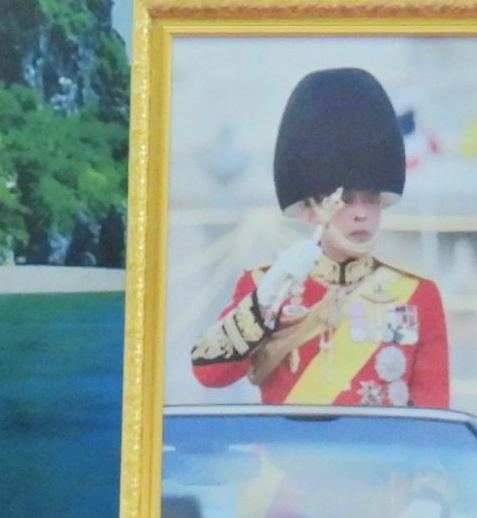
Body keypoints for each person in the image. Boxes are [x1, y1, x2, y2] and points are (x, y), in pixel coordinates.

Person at [188, 64, 451, 411]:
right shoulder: (266, 288)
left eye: (371, 199)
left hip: (379, 450)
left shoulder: (417, 296)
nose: (361, 213)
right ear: (309, 211)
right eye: (345, 200)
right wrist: (263, 302)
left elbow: (432, 419)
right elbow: (208, 373)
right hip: (288, 449)